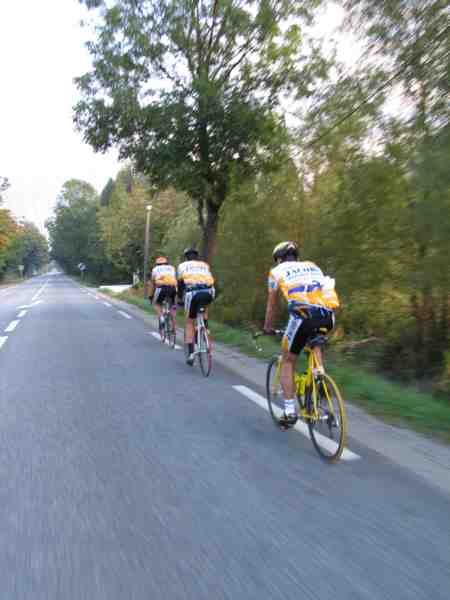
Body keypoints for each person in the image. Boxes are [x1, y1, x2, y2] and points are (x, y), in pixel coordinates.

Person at [263, 241, 339, 425]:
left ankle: (289, 412)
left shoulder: (276, 272)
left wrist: (268, 327)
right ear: (297, 257)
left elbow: (272, 305)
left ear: (279, 259)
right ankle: (319, 377)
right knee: (315, 343)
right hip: (328, 315)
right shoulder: (313, 266)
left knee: (288, 359)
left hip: (304, 315)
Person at [177, 247, 215, 365]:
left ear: (186, 257)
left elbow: (181, 284)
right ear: (197, 257)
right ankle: (205, 332)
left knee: (189, 322)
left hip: (192, 293)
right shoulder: (204, 265)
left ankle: (190, 354)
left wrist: (180, 299)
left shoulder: (182, 266)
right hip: (209, 292)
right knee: (204, 314)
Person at [148, 256, 178, 332]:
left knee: (157, 304)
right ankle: (174, 328)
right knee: (172, 307)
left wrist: (151, 296)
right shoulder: (172, 268)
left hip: (161, 287)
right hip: (172, 288)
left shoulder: (155, 269)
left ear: (157, 264)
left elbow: (153, 283)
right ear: (167, 263)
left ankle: (161, 317)